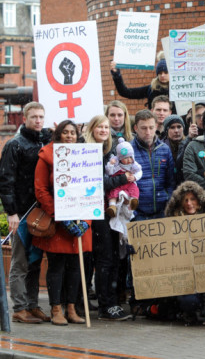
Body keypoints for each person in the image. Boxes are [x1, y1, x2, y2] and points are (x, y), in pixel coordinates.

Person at [32, 120, 91, 325]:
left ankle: (71, 309)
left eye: (72, 133)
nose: (69, 136)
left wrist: (86, 220)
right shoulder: (47, 155)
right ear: (58, 134)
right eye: (65, 132)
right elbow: (41, 189)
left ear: (77, 135)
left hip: (79, 218)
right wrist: (60, 215)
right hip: (58, 222)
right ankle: (56, 308)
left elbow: (92, 187)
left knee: (76, 266)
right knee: (56, 266)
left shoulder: (86, 156)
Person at [0, 102, 51, 323]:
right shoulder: (15, 145)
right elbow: (6, 180)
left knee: (35, 260)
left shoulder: (47, 142)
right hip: (22, 213)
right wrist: (11, 212)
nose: (38, 121)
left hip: (41, 213)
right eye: (34, 117)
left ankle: (32, 304)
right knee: (20, 262)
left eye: (41, 117)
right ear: (25, 118)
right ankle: (20, 307)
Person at [84, 115, 131, 320]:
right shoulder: (86, 152)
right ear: (92, 129)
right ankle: (105, 305)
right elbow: (96, 183)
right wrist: (121, 179)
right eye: (99, 127)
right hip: (96, 212)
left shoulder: (111, 152)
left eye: (106, 127)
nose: (103, 130)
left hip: (114, 212)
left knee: (114, 257)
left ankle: (111, 301)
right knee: (104, 259)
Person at [164, 181, 205, 325]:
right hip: (184, 278)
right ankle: (188, 312)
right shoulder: (170, 225)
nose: (189, 203)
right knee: (189, 301)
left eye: (193, 199)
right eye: (185, 200)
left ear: (200, 202)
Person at [131, 110, 176, 220]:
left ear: (156, 126)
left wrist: (168, 201)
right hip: (137, 212)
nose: (148, 132)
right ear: (136, 128)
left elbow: (171, 181)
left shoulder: (164, 149)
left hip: (162, 211)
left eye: (151, 128)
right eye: (143, 128)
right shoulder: (129, 150)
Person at [104, 137, 142, 217]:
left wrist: (134, 177)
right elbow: (109, 172)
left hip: (129, 183)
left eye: (130, 157)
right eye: (125, 158)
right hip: (118, 185)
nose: (129, 160)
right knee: (112, 192)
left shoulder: (134, 165)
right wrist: (110, 164)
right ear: (120, 158)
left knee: (134, 189)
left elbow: (139, 172)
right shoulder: (117, 165)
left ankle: (133, 201)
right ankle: (112, 206)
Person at [161, 114, 191, 185]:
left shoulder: (190, 144)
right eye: (172, 127)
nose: (176, 131)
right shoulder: (161, 147)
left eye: (179, 127)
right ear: (166, 130)